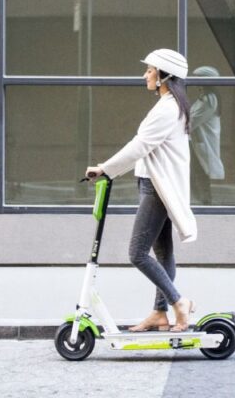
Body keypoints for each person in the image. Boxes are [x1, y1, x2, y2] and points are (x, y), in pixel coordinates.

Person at [84, 48, 197, 333]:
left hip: (157, 188)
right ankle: (159, 313)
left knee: (137, 253)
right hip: (155, 184)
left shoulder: (168, 108)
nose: (145, 75)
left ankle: (178, 302)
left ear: (164, 76)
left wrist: (105, 169)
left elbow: (140, 146)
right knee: (162, 252)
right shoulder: (170, 106)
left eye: (149, 70)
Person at [189, 66, 225, 204]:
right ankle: (201, 199)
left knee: (201, 172)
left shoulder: (209, 99)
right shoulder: (205, 97)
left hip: (203, 142)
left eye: (197, 78)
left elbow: (193, 120)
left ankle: (205, 200)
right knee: (198, 172)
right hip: (198, 142)